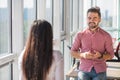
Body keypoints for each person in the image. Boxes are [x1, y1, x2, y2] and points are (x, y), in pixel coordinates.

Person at [70, 7, 114, 80]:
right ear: (86, 19)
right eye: (89, 18)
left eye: (95, 18)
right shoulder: (80, 35)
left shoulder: (106, 36)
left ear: (99, 19)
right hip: (84, 70)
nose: (91, 20)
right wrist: (83, 55)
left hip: (100, 70)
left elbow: (111, 55)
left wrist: (101, 56)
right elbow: (72, 52)